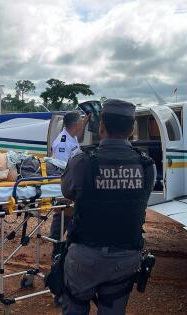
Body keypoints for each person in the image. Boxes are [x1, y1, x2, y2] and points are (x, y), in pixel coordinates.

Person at [60, 99, 156, 314]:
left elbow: (67, 191)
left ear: (101, 126)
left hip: (85, 257)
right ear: (131, 130)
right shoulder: (146, 164)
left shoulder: (83, 161)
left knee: (74, 306)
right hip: (125, 258)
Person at [50, 111, 90, 259]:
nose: (82, 124)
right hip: (66, 185)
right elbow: (61, 167)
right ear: (75, 125)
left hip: (74, 183)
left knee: (71, 216)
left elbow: (77, 140)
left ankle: (68, 247)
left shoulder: (71, 137)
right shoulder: (62, 142)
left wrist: (85, 120)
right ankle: (56, 248)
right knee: (62, 216)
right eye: (80, 122)